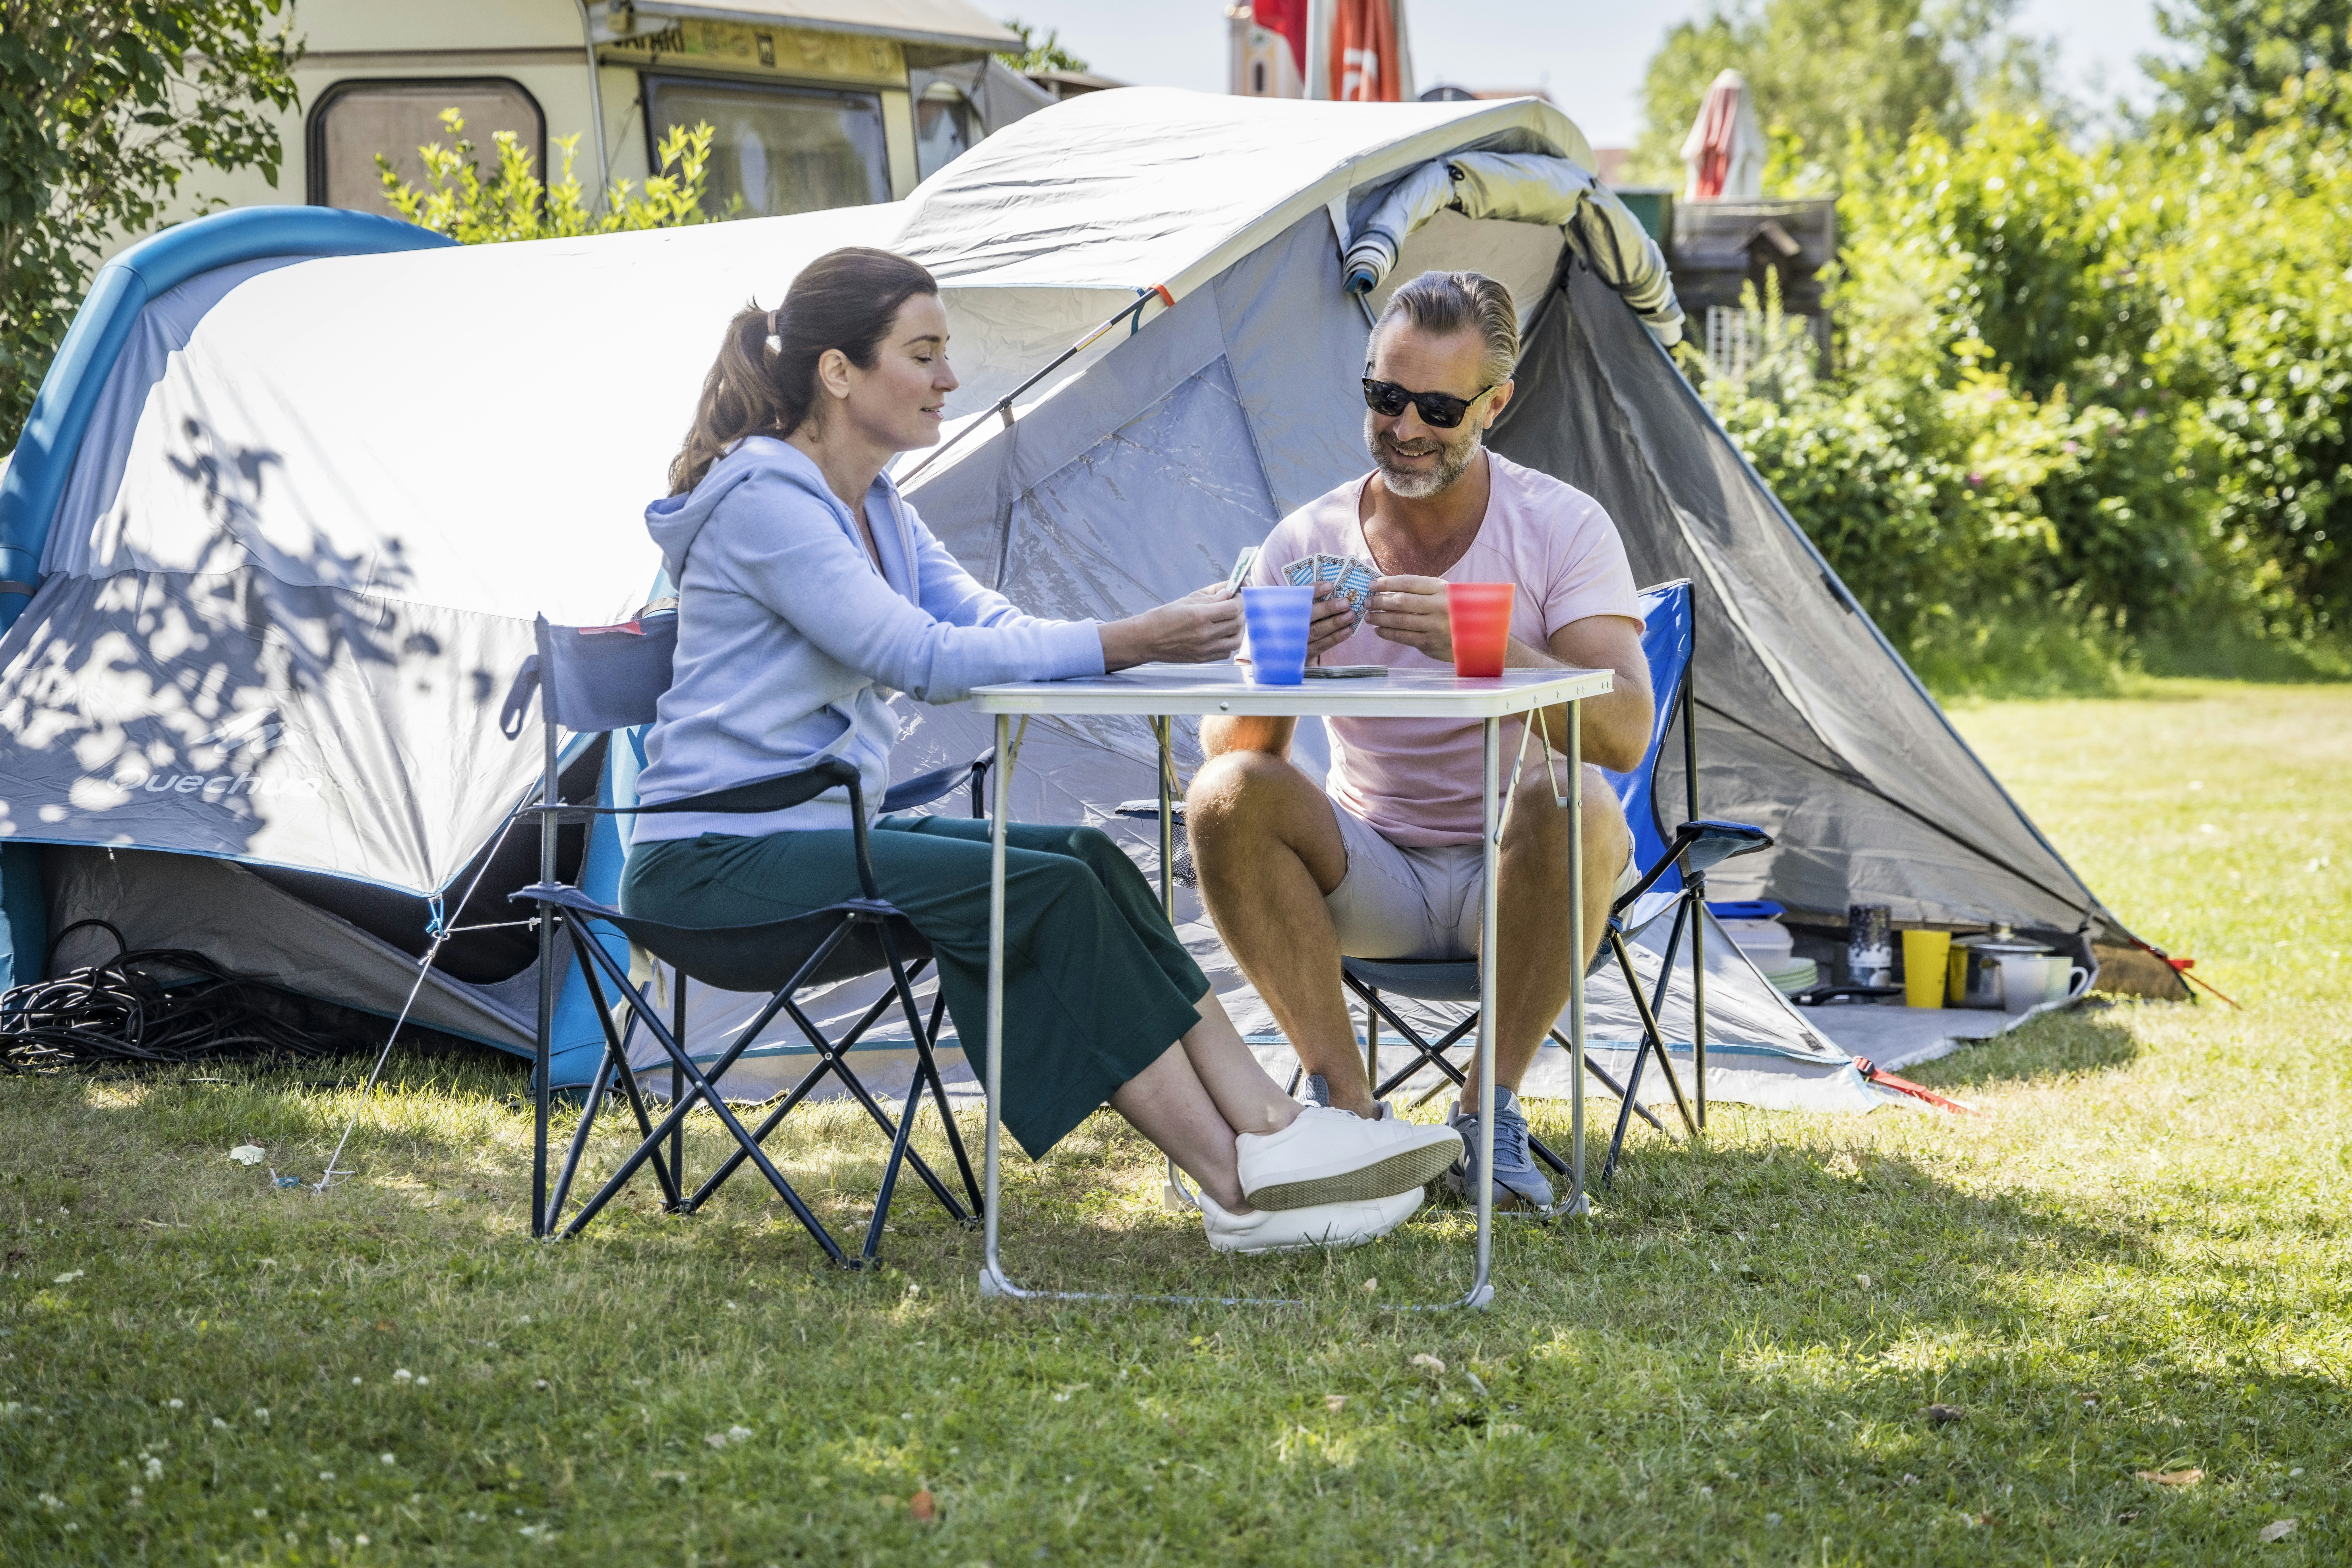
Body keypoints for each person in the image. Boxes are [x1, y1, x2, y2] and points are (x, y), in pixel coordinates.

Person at [618, 247, 1461, 1255]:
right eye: (923, 353)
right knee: (1043, 895)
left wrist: (1190, 639)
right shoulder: (766, 499)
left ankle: (1280, 1134)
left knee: (1084, 860)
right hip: (714, 868)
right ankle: (1241, 1186)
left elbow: (996, 632)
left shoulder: (877, 507)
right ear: (839, 371)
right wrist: (1133, 638)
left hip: (812, 841)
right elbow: (920, 657)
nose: (949, 379)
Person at [1186, 269, 1656, 1211]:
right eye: (1385, 396)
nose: (1405, 427)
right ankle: (1348, 1121)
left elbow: (1623, 732)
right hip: (1374, 872)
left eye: (1438, 406)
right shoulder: (1305, 538)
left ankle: (1490, 1113)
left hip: (1521, 876)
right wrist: (1286, 669)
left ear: (1496, 404)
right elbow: (1237, 758)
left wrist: (1489, 651)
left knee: (1571, 795)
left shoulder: (1561, 525)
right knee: (1226, 793)